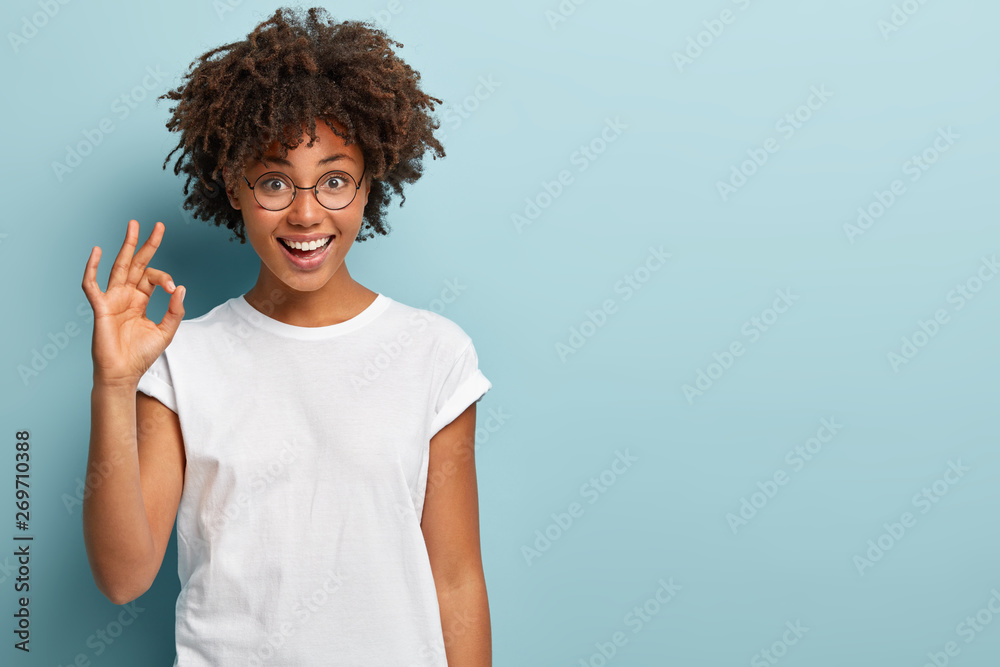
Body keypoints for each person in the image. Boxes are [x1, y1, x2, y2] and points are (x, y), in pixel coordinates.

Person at [80, 7, 492, 665]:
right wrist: (114, 383)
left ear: (368, 185)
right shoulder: (183, 359)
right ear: (233, 186)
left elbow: (456, 579)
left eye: (334, 180)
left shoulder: (435, 353)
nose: (306, 213)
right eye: (274, 181)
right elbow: (123, 576)